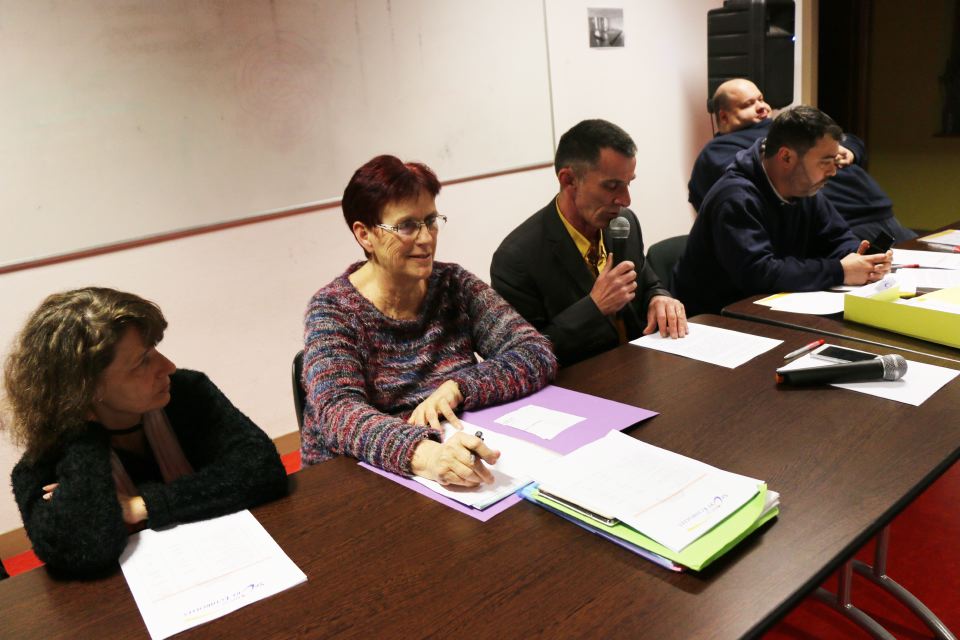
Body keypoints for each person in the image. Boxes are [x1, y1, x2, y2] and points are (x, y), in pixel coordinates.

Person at [301, 155, 557, 487]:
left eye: (431, 221)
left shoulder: (453, 284)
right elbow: (338, 413)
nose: (426, 239)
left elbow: (535, 352)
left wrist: (459, 387)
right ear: (365, 235)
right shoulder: (333, 309)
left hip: (453, 458)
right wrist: (425, 455)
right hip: (362, 480)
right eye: (407, 225)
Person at [4, 288, 288, 577]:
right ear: (86, 387)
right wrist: (86, 435)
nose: (168, 366)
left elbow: (262, 469)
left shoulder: (187, 393)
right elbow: (85, 550)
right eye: (142, 361)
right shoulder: (44, 463)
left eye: (154, 349)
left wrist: (139, 506)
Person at [490, 119, 687, 367]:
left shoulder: (622, 223)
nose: (625, 200)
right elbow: (522, 357)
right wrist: (593, 308)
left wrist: (659, 298)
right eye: (612, 186)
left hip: (637, 369)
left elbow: (647, 282)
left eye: (628, 183)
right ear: (569, 180)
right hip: (581, 387)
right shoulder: (516, 258)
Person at [673, 106, 895, 316]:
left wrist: (861, 258)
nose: (833, 172)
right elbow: (759, 274)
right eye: (825, 162)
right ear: (786, 157)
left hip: (773, 308)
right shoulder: (735, 197)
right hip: (715, 319)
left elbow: (837, 238)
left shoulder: (805, 189)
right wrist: (840, 270)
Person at [689, 78, 916, 243]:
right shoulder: (721, 149)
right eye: (748, 104)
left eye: (761, 99)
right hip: (843, 223)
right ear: (724, 117)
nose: (762, 107)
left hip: (880, 212)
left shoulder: (784, 127)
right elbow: (760, 184)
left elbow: (848, 137)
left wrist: (848, 150)